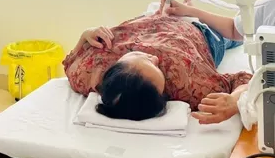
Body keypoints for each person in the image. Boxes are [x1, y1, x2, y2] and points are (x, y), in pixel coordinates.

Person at [63, 8, 251, 125]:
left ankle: (183, 9)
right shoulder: (190, 86)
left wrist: (86, 33)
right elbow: (243, 80)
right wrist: (235, 100)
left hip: (155, 16)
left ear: (115, 66)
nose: (154, 57)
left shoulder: (89, 70)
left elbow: (70, 59)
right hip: (202, 32)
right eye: (157, 68)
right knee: (242, 34)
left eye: (140, 57)